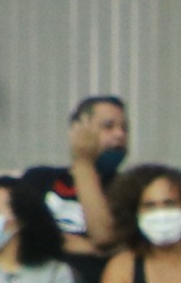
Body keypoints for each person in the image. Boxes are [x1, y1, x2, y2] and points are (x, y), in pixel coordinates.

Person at [52, 94, 132, 256]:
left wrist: (84, 163)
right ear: (77, 131)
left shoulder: (131, 188)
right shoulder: (40, 178)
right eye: (108, 126)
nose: (120, 134)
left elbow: (104, 237)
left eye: (124, 128)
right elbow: (26, 237)